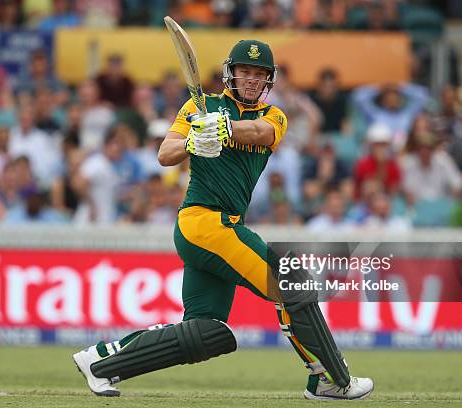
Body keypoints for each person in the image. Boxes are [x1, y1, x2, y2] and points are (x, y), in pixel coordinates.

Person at [72, 39, 373, 400]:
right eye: (245, 72)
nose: (251, 80)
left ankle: (101, 362)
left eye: (259, 75)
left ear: (268, 81)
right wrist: (193, 140)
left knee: (206, 331)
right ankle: (331, 380)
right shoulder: (199, 108)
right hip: (203, 223)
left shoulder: (273, 116)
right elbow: (164, 154)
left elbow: (261, 133)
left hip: (220, 228)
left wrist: (224, 128)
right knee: (293, 283)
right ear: (231, 73)